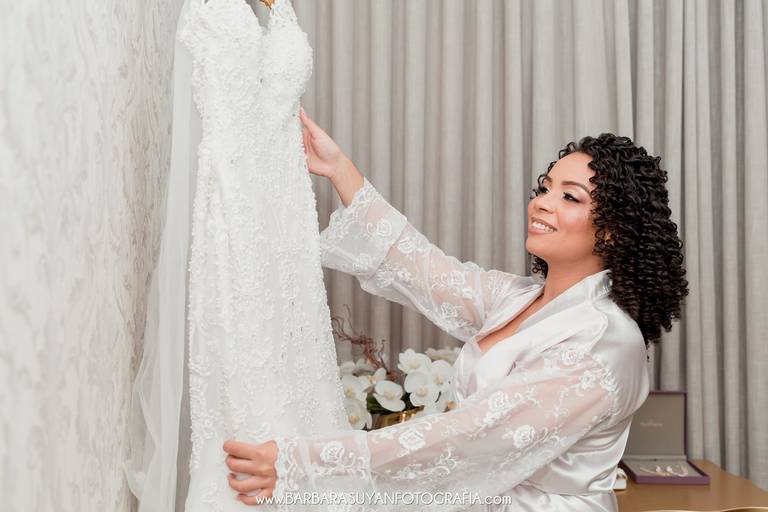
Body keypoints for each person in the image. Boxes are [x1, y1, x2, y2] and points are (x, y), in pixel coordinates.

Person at [220, 108, 688, 511]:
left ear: (613, 230)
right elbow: (422, 268)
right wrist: (340, 169)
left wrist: (305, 462)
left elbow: (470, 435)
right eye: (545, 188)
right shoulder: (518, 297)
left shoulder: (604, 341)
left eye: (569, 197)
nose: (541, 204)